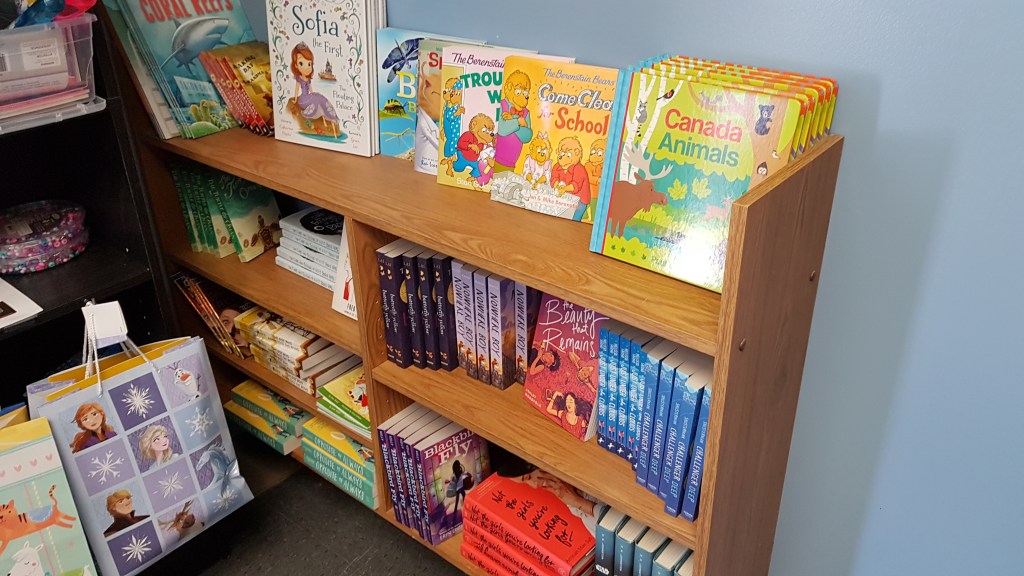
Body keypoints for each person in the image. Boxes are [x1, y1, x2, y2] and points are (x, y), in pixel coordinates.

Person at [289, 43, 339, 137]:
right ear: (296, 65)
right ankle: (324, 116)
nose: (307, 67)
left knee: (319, 97)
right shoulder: (299, 79)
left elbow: (311, 90)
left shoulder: (308, 79)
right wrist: (295, 99)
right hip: (303, 100)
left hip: (309, 97)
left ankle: (331, 116)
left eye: (309, 64)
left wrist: (313, 95)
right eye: (301, 63)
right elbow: (296, 89)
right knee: (317, 99)